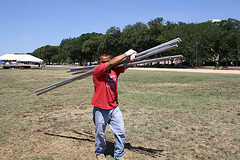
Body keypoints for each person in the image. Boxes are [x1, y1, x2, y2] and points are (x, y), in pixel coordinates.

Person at [91, 49, 137, 160]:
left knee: (120, 132)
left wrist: (131, 59)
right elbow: (111, 63)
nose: (106, 63)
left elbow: (126, 66)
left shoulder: (114, 71)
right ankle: (100, 153)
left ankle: (119, 155)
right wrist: (126, 53)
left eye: (107, 61)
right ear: (98, 62)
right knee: (100, 133)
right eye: (103, 62)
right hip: (100, 108)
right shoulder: (97, 70)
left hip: (114, 107)